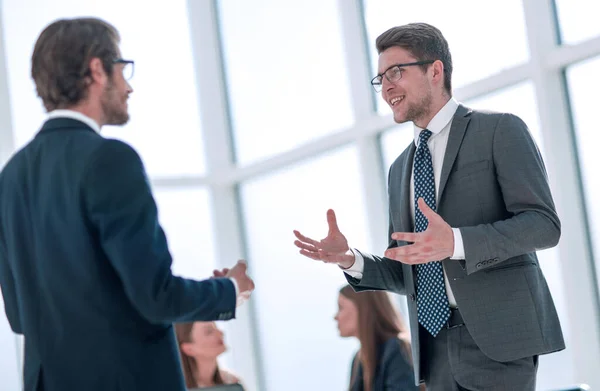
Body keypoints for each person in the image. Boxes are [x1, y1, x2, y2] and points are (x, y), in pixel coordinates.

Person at [294, 22, 564, 391]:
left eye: (396, 72)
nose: (386, 86)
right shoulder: (399, 168)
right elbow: (409, 270)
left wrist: (455, 242)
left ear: (435, 71)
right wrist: (349, 259)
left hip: (499, 343)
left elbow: (543, 225)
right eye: (380, 78)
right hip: (432, 350)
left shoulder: (499, 131)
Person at [0, 17, 254, 391]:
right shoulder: (110, 159)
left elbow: (21, 316)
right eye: (123, 68)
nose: (129, 86)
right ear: (97, 70)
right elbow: (156, 297)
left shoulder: (11, 176)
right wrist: (231, 290)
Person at [335, 285, 419, 391]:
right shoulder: (359, 359)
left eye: (340, 307)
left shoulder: (397, 348)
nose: (335, 317)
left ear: (363, 308)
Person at [175, 321, 244, 389]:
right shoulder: (177, 387)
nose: (221, 333)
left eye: (216, 328)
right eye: (209, 331)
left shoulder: (232, 381)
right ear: (189, 349)